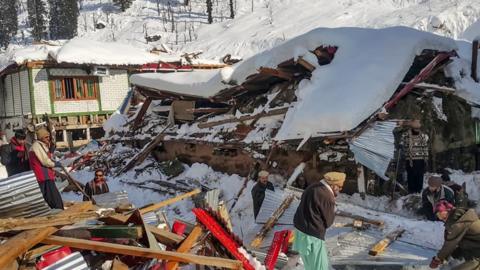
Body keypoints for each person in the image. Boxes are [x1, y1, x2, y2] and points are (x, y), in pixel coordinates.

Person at [293, 171, 346, 270]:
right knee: (320, 267)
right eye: (340, 187)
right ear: (333, 186)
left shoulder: (313, 187)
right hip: (313, 236)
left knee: (309, 265)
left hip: (300, 231)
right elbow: (328, 222)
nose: (340, 190)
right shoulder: (327, 196)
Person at [430, 200, 480, 270]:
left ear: (448, 210)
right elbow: (456, 245)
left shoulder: (457, 223)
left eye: (441, 213)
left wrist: (437, 259)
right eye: (438, 216)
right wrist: (446, 258)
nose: (441, 217)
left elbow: (450, 244)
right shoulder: (460, 217)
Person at [29, 128, 64, 209]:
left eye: (48, 137)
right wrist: (55, 164)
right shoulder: (37, 146)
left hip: (45, 175)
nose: (48, 138)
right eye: (46, 137)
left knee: (47, 194)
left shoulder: (41, 145)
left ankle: (53, 208)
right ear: (41, 137)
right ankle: (58, 209)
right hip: (42, 175)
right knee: (52, 195)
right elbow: (45, 161)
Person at [401, 120, 429, 193]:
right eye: (415, 128)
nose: (417, 130)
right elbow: (403, 144)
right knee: (411, 175)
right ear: (412, 128)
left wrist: (426, 159)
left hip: (420, 160)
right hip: (410, 160)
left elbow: (425, 148)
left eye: (418, 128)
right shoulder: (406, 135)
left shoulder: (422, 136)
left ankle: (418, 190)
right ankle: (412, 191)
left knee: (419, 175)